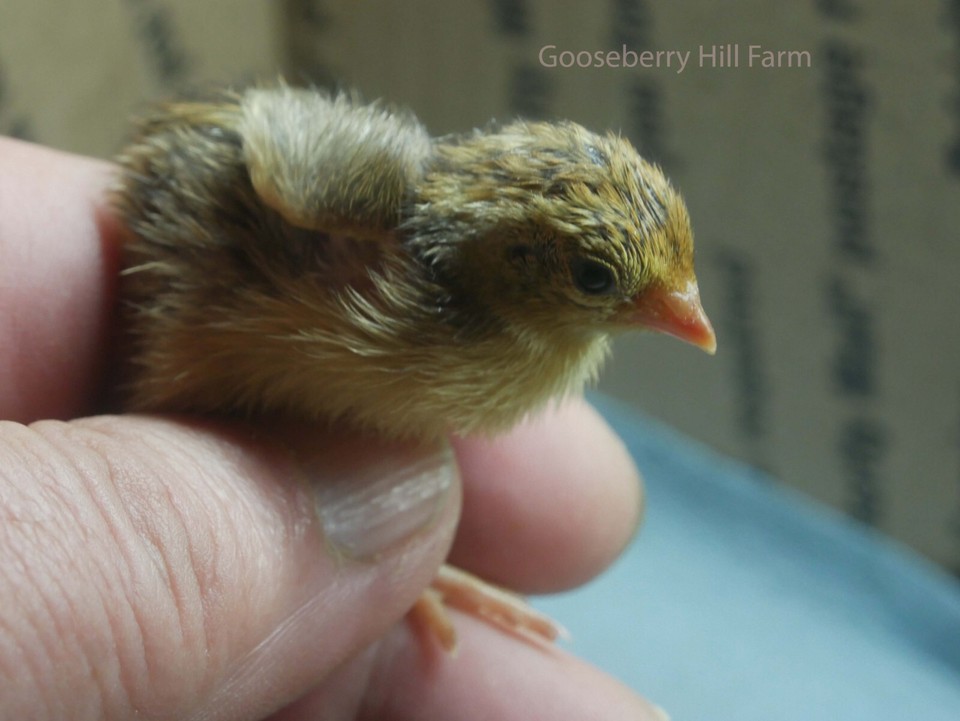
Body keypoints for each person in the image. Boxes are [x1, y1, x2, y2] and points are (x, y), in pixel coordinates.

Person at [0, 137, 665, 720]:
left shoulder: (502, 342)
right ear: (514, 258)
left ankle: (397, 576)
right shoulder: (397, 284)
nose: (683, 315)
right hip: (180, 301)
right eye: (595, 278)